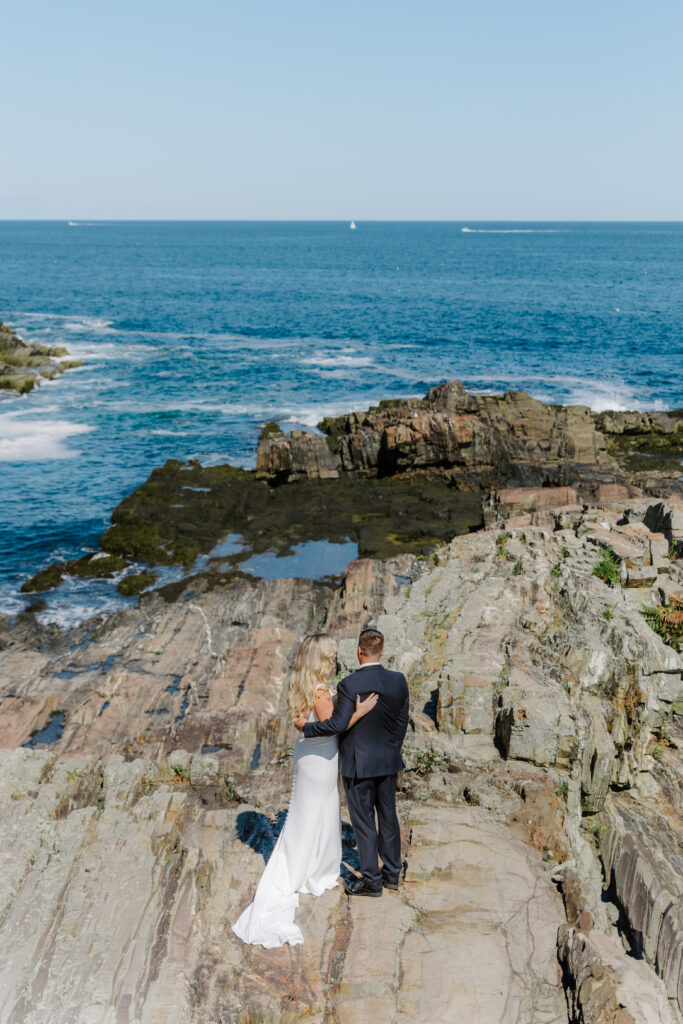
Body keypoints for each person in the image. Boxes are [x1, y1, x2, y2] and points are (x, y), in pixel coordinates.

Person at [232, 632, 377, 947]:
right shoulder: (321, 690)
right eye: (332, 653)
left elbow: (306, 721)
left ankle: (305, 864)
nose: (335, 657)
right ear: (323, 658)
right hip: (321, 756)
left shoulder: (302, 684)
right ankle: (312, 870)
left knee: (308, 812)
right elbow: (333, 727)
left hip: (307, 753)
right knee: (319, 811)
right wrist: (360, 712)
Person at [294, 627, 410, 897]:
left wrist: (304, 728)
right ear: (382, 651)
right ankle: (392, 874)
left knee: (364, 822)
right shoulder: (398, 680)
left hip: (358, 764)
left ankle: (371, 881)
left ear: (359, 651)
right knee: (389, 816)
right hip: (389, 759)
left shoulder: (350, 685)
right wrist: (393, 747)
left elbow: (336, 724)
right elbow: (402, 721)